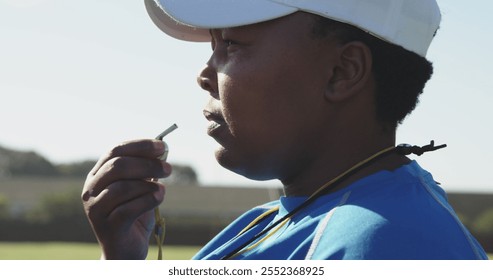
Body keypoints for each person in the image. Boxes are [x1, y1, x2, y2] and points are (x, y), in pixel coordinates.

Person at [81, 0, 488, 260]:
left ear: (342, 72)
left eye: (232, 45)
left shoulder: (387, 245)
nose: (205, 76)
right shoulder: (269, 220)